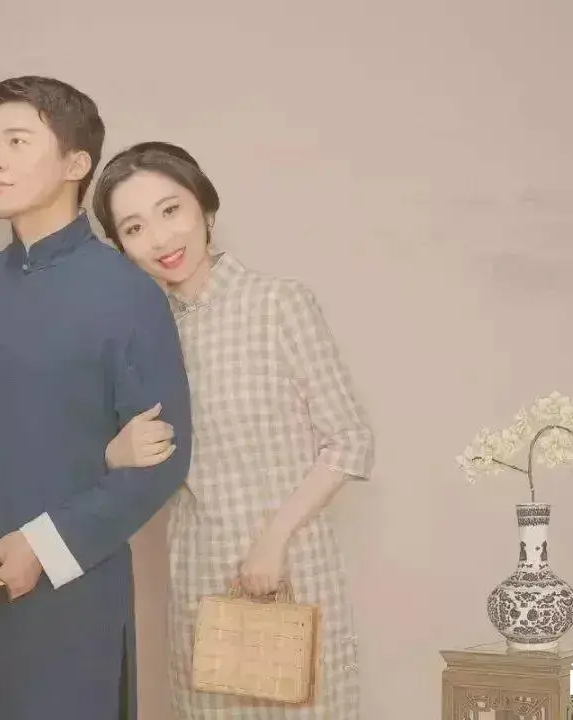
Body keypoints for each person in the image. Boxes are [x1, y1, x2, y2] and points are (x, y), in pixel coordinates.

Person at [0, 80, 193, 720]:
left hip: (73, 590)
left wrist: (41, 547)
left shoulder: (128, 294)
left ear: (75, 163)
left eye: (17, 142)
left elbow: (163, 461)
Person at [91, 141, 374, 719]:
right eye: (135, 228)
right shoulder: (142, 340)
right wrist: (114, 455)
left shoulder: (278, 304)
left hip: (293, 571)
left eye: (171, 211)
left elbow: (350, 440)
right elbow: (135, 465)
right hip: (199, 580)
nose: (161, 239)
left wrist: (274, 540)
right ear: (121, 248)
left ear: (205, 207)